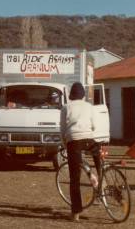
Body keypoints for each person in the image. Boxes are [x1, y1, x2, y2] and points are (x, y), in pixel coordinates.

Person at [60, 82, 100, 222]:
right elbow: (94, 126)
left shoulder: (66, 107)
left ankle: (76, 213)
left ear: (71, 95)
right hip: (90, 140)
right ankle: (101, 183)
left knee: (75, 179)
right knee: (99, 163)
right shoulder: (89, 106)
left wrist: (65, 144)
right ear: (82, 95)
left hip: (74, 141)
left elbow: (63, 130)